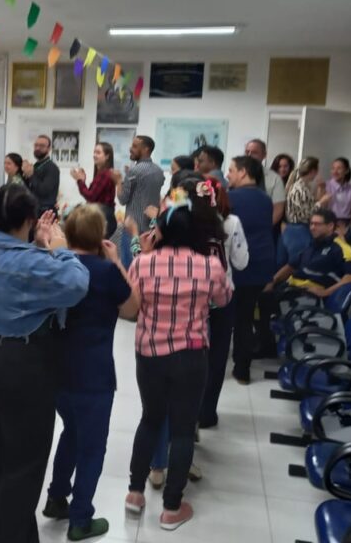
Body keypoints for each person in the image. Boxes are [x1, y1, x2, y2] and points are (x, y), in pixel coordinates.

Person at [0, 185, 89, 543]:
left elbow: (20, 272)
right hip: (19, 368)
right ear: (29, 219)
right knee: (24, 467)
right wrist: (60, 248)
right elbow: (76, 284)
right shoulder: (32, 262)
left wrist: (37, 244)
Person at [124, 181, 232, 532]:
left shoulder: (143, 263)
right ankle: (172, 508)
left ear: (162, 230)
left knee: (150, 420)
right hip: (191, 355)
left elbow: (130, 305)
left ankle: (134, 494)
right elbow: (224, 300)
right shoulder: (209, 266)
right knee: (183, 429)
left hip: (150, 354)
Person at [43, 205, 139, 541]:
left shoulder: (57, 266)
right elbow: (132, 309)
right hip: (93, 373)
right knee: (92, 447)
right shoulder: (105, 271)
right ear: (100, 236)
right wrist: (117, 262)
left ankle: (57, 497)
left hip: (56, 369)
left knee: (71, 430)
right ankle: (81, 518)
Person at [198, 177, 249, 430]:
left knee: (194, 354)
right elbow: (241, 262)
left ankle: (188, 411)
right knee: (217, 356)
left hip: (194, 296)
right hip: (223, 296)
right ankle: (207, 413)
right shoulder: (232, 222)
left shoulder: (191, 222)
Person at [227, 156, 277, 384]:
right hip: (261, 264)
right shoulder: (266, 199)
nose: (228, 175)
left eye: (231, 170)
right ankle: (242, 370)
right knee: (245, 319)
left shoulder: (231, 198)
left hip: (239, 264)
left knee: (228, 319)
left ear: (243, 172)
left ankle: (220, 366)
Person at [267, 208, 351, 298]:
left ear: (330, 226)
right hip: (290, 288)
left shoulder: (342, 249)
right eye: (311, 224)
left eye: (317, 224)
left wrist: (326, 292)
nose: (312, 227)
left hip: (310, 296)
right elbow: (291, 266)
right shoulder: (312, 245)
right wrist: (273, 281)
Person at [115, 135, 166, 234]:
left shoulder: (134, 171)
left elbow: (122, 199)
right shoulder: (159, 171)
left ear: (146, 149)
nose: (130, 149)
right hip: (151, 229)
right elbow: (144, 187)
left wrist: (118, 181)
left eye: (134, 146)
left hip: (133, 228)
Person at [70, 142, 117, 238]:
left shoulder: (105, 174)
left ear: (107, 156)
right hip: (101, 215)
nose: (94, 155)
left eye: (98, 153)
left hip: (103, 216)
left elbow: (90, 196)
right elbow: (92, 196)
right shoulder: (101, 173)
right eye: (94, 152)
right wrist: (82, 180)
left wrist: (79, 181)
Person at [281, 157, 321, 267]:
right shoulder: (299, 189)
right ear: (313, 171)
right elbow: (304, 214)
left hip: (298, 229)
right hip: (298, 230)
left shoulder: (304, 187)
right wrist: (321, 203)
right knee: (296, 262)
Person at [245, 138, 286, 228]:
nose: (249, 155)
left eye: (254, 152)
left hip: (264, 226)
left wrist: (264, 227)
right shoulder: (236, 175)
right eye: (247, 152)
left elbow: (278, 209)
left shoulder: (274, 178)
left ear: (264, 155)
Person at [22, 134, 61, 216]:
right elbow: (29, 189)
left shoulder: (52, 168)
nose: (37, 148)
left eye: (42, 146)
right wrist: (24, 174)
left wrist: (31, 175)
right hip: (34, 210)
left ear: (49, 148)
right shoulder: (36, 165)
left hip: (46, 213)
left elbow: (43, 191)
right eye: (36, 145)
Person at [318, 157, 351, 232]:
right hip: (329, 225)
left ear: (346, 170)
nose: (335, 171)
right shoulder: (325, 186)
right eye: (333, 168)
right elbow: (319, 208)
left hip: (346, 226)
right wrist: (321, 190)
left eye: (339, 168)